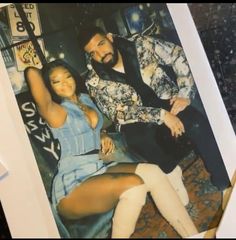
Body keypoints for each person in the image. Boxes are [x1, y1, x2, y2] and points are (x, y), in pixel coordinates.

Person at [24, 60, 198, 238]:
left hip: (96, 167)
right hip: (71, 183)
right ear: (49, 86)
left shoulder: (84, 99)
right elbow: (31, 74)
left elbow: (91, 127)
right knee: (134, 187)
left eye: (67, 77)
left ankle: (192, 235)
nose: (65, 83)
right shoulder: (54, 111)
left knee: (153, 172)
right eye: (56, 81)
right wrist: (38, 69)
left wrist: (102, 134)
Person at [78, 26, 231, 202]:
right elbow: (118, 113)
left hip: (165, 99)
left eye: (101, 44)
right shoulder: (94, 81)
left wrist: (184, 92)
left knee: (196, 123)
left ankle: (223, 181)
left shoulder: (140, 43)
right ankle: (172, 173)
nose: (100, 54)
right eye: (93, 52)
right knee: (138, 139)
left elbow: (176, 54)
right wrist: (162, 115)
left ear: (110, 37)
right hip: (136, 117)